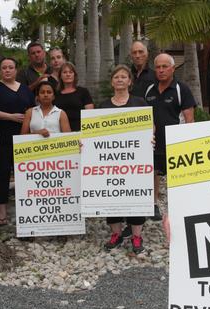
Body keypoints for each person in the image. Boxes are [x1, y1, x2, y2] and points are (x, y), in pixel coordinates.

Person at [98, 65, 149, 254]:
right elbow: (95, 134)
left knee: (135, 194)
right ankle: (116, 234)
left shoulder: (139, 103)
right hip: (110, 161)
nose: (120, 79)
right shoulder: (103, 106)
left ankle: (136, 236)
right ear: (112, 81)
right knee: (112, 195)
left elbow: (150, 126)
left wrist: (150, 137)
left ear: (130, 81)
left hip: (135, 159)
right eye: (116, 77)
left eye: (123, 77)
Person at [145, 53, 196, 221]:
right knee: (154, 174)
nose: (161, 70)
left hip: (175, 144)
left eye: (164, 66)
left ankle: (178, 209)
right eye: (158, 67)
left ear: (173, 68)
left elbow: (189, 119)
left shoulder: (182, 89)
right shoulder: (149, 90)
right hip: (153, 143)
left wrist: (187, 144)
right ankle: (154, 206)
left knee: (176, 179)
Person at [0, 57, 35, 226]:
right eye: (4, 67)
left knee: (25, 174)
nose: (7, 70)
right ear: (0, 70)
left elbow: (32, 110)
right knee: (2, 174)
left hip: (23, 138)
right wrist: (10, 117)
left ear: (16, 70)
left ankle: (27, 211)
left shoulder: (26, 90)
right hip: (2, 137)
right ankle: (2, 212)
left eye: (10, 67)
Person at [54, 62, 94, 132]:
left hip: (80, 131)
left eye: (70, 72)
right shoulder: (55, 94)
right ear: (60, 76)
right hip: (59, 133)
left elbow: (90, 114)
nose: (68, 74)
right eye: (65, 72)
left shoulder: (83, 91)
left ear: (74, 75)